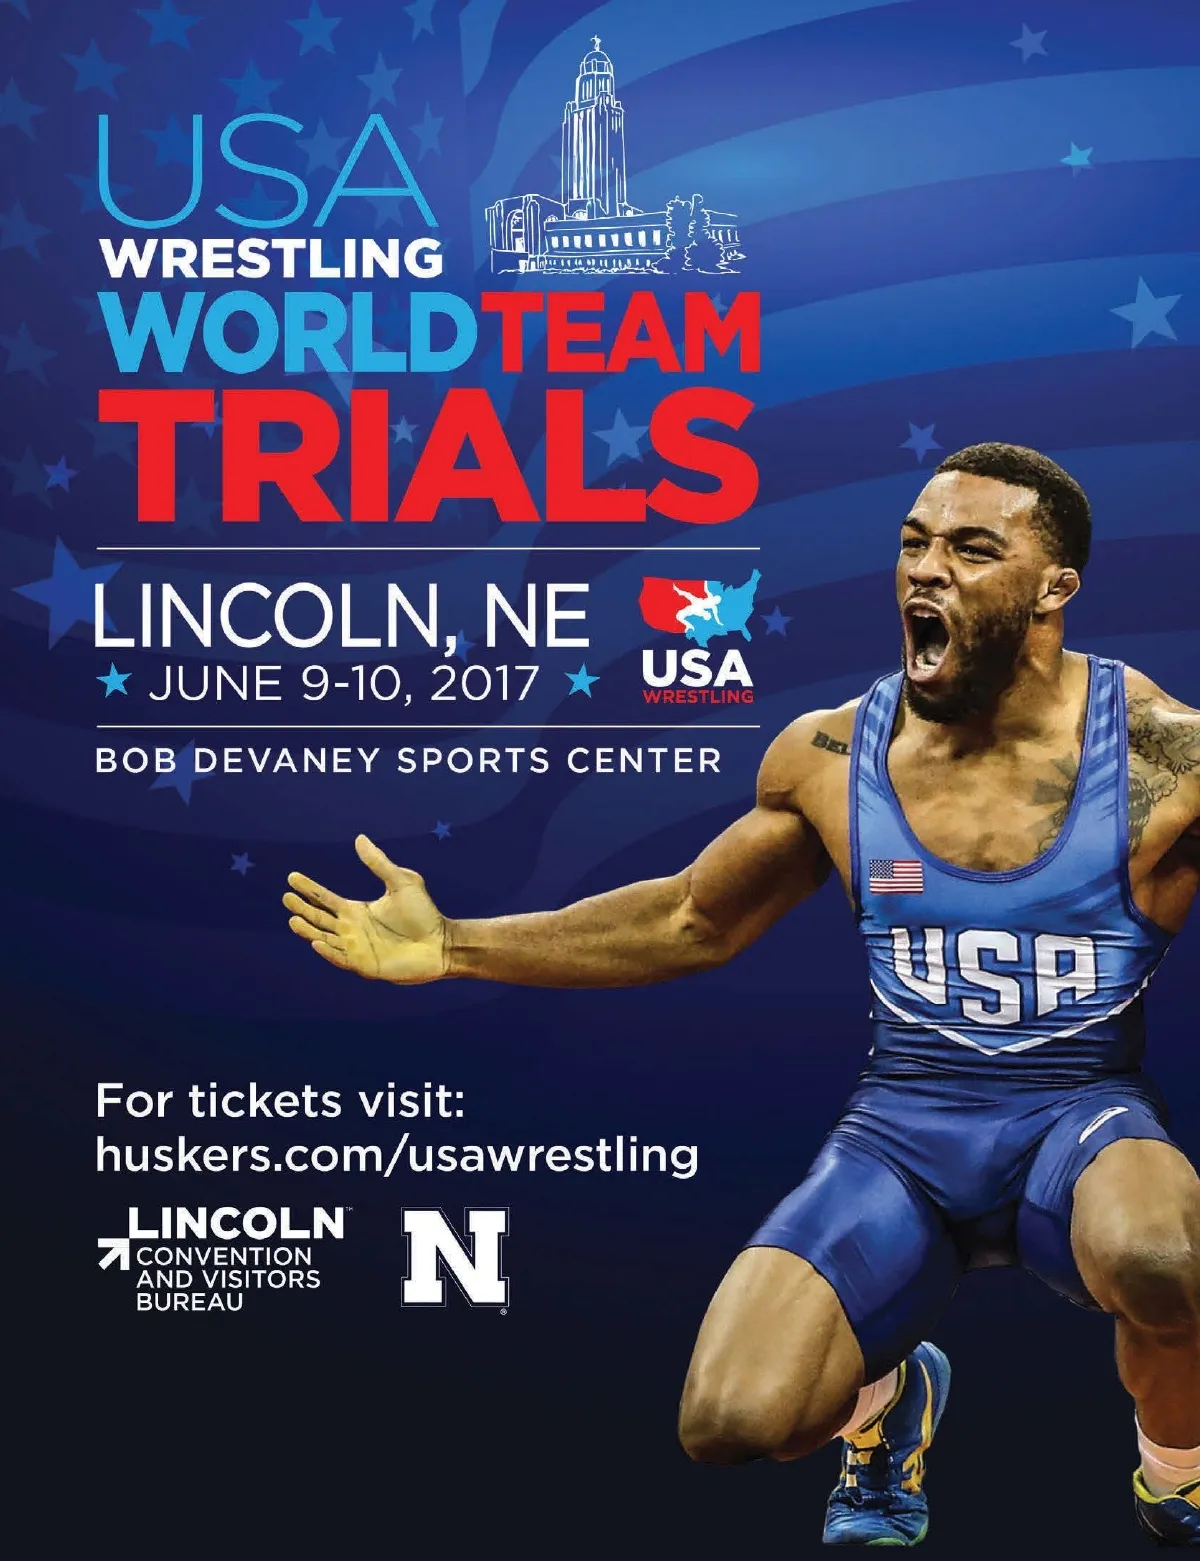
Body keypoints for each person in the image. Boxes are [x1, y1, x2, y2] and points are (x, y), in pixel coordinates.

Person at [283, 444, 1200, 1547]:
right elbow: (691, 917)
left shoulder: (1163, 759)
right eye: (914, 543)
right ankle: (888, 1405)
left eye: (971, 548)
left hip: (1080, 1116)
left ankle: (1177, 1473)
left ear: (1055, 587)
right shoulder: (831, 754)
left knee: (1164, 1258)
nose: (927, 569)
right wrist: (454, 945)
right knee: (730, 1421)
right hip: (903, 1133)